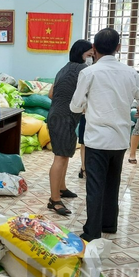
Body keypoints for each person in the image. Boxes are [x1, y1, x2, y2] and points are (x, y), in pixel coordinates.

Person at [70, 28, 139, 242]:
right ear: (118, 47)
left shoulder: (89, 73)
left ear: (94, 48)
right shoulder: (130, 73)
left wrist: (87, 105)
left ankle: (92, 231)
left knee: (94, 186)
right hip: (119, 140)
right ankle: (109, 224)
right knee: (113, 183)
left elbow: (75, 106)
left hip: (96, 139)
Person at [46, 40, 94, 216]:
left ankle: (62, 188)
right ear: (80, 54)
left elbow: (51, 94)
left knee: (64, 155)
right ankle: (54, 200)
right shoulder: (82, 70)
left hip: (58, 116)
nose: (91, 59)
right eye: (89, 55)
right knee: (60, 157)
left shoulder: (64, 68)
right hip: (63, 118)